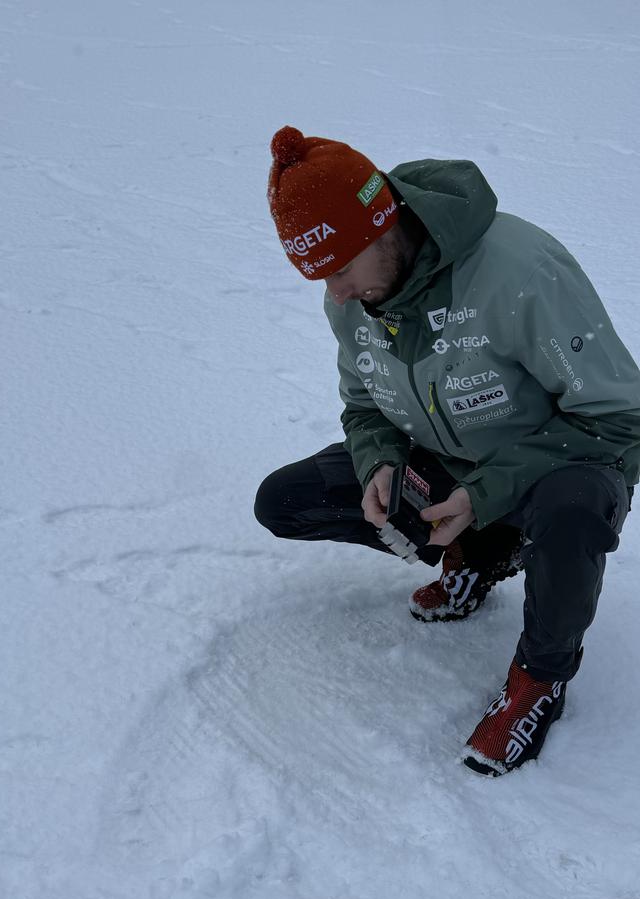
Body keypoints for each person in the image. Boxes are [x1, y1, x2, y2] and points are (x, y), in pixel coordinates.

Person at [255, 125, 640, 776]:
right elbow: (364, 403)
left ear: (383, 227)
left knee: (574, 506)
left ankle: (541, 677)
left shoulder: (520, 272)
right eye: (321, 277)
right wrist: (379, 461)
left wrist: (486, 492)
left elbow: (619, 418)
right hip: (451, 469)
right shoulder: (349, 299)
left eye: (341, 269)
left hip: (555, 469)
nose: (336, 293)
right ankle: (484, 551)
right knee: (286, 500)